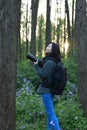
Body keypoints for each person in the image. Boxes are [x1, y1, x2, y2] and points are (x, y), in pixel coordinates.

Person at [34, 42, 61, 130]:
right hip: (50, 90)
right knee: (50, 115)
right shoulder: (52, 60)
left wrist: (36, 66)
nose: (47, 47)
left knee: (51, 114)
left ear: (53, 50)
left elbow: (44, 75)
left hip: (46, 91)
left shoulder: (50, 61)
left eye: (49, 46)